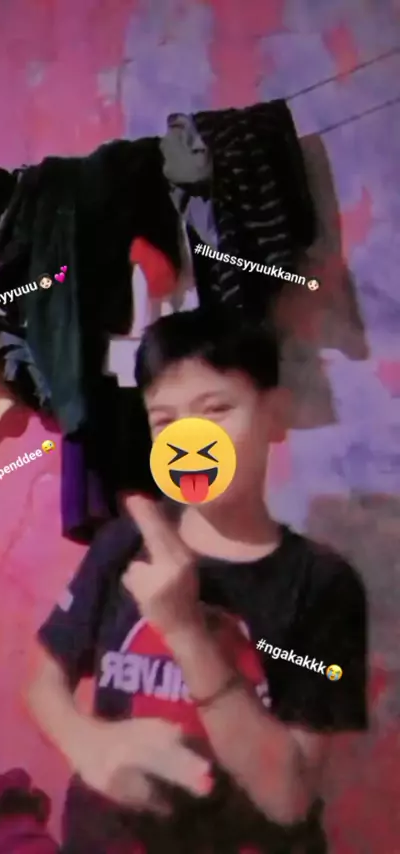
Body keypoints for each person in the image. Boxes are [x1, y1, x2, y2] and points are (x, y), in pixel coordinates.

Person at [26, 308, 368, 853]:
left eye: (216, 410)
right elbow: (45, 676)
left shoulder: (322, 586)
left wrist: (186, 630)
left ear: (276, 416)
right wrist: (86, 741)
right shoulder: (124, 543)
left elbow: (288, 798)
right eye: (165, 421)